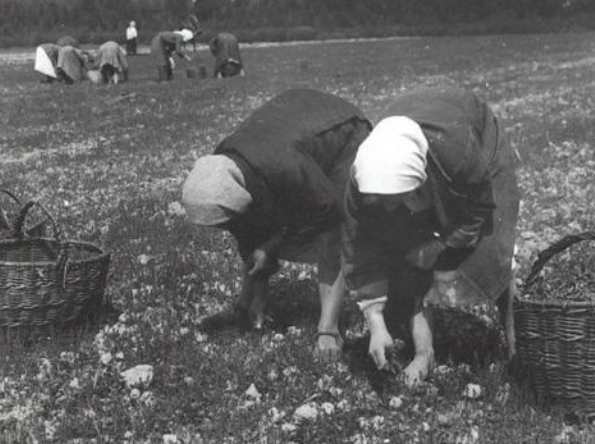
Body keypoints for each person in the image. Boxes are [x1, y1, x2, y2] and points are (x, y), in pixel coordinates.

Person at [341, 86, 520, 386]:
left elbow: (478, 214)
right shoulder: (361, 178)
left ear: (417, 184)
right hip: (419, 141)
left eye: (393, 200)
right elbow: (358, 250)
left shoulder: (459, 156)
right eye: (379, 201)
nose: (386, 209)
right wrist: (375, 324)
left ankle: (517, 349)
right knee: (410, 257)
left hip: (471, 137)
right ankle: (425, 353)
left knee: (494, 253)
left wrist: (438, 247)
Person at [181, 89, 372, 362]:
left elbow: (329, 214)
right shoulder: (222, 166)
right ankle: (249, 306)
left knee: (330, 238)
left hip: (343, 130)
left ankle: (328, 329)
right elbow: (245, 225)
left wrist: (271, 244)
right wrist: (259, 271)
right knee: (264, 229)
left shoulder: (286, 167)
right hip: (294, 128)